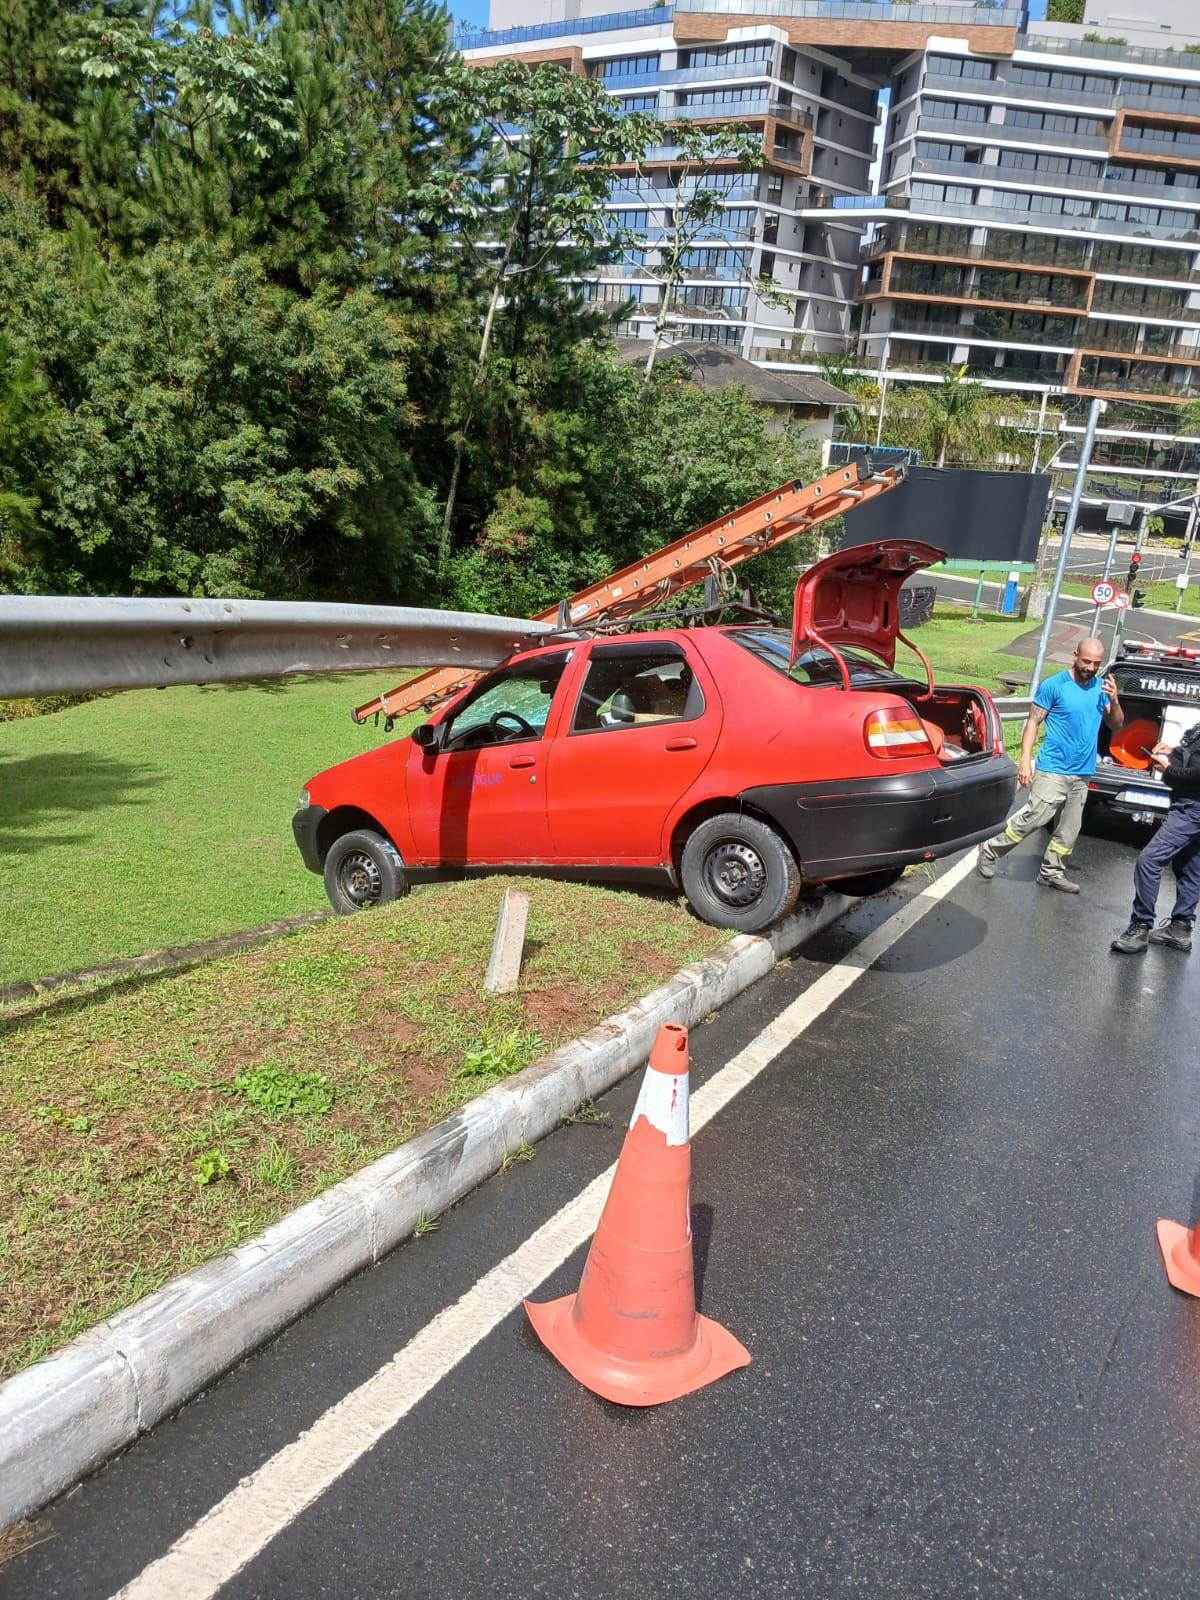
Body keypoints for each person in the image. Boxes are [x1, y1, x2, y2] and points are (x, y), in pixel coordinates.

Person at [978, 637, 1124, 893]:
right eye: (1086, 661)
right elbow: (1033, 723)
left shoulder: (1102, 689)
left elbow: (1116, 724)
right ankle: (990, 849)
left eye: (1096, 663)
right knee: (1035, 818)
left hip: (1082, 772)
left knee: (1069, 830)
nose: (1090, 667)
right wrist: (1025, 761)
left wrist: (1116, 701)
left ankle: (1052, 872)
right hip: (1053, 768)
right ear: (1075, 655)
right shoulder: (1054, 685)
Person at [1111, 721, 1200, 955]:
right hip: (1190, 804)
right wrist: (1174, 751)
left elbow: (1196, 774)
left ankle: (1140, 927)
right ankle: (1180, 929)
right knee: (1189, 866)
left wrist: (1167, 768)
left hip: (1192, 808)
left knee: (1149, 861)